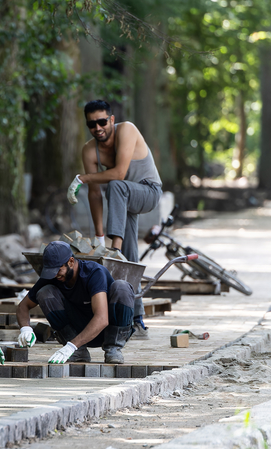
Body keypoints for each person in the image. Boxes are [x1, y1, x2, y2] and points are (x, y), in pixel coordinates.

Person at [66, 99, 162, 337]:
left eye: (102, 122)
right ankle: (137, 320)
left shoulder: (127, 129)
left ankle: (115, 247)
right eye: (91, 124)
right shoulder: (89, 150)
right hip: (124, 203)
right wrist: (99, 238)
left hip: (148, 192)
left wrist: (84, 178)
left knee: (116, 185)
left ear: (111, 120)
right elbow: (96, 195)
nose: (98, 128)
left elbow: (118, 174)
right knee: (130, 259)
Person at [15, 241, 134, 364]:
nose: (55, 275)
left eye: (58, 270)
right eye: (51, 271)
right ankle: (79, 352)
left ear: (71, 262)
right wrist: (25, 329)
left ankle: (113, 348)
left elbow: (102, 319)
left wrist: (71, 346)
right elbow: (23, 306)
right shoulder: (52, 276)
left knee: (122, 287)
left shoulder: (94, 273)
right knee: (44, 292)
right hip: (76, 333)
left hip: (106, 331)